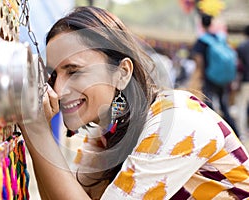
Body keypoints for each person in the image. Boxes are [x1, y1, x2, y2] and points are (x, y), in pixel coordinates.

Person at [20, 7, 249, 199]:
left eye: (74, 71)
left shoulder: (176, 121)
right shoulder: (106, 133)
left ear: (122, 73)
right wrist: (35, 130)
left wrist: (38, 130)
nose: (58, 90)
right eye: (53, 75)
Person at [190, 14, 240, 138]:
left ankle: (214, 133)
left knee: (208, 104)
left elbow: (199, 60)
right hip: (222, 78)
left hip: (210, 77)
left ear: (201, 24)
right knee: (224, 105)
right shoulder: (220, 38)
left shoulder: (202, 40)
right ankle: (234, 132)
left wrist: (199, 76)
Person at [236, 25, 249, 139]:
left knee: (242, 107)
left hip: (245, 81)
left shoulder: (242, 46)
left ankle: (243, 133)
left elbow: (239, 66)